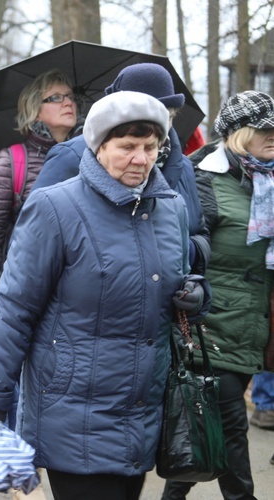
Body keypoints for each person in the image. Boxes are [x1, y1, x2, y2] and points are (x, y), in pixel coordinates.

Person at [0, 91, 209, 500]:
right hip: (73, 411)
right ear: (98, 146)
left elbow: (180, 285)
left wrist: (196, 297)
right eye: (127, 147)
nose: (141, 158)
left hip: (142, 415)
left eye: (151, 147)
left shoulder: (172, 210)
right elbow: (15, 311)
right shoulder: (55, 208)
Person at [161, 90, 274, 500]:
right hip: (212, 322)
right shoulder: (201, 176)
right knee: (229, 425)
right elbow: (186, 246)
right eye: (264, 127)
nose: (273, 135)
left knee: (205, 423)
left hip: (255, 323)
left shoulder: (270, 179)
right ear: (237, 132)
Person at [34, 63, 209, 275]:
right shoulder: (70, 157)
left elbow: (200, 235)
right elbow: (36, 239)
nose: (155, 126)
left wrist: (183, 259)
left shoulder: (185, 166)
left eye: (165, 117)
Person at [0, 69, 79, 330]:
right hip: (26, 292)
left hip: (77, 296)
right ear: (36, 111)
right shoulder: (12, 160)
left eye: (71, 97)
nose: (68, 103)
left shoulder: (92, 157)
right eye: (56, 98)